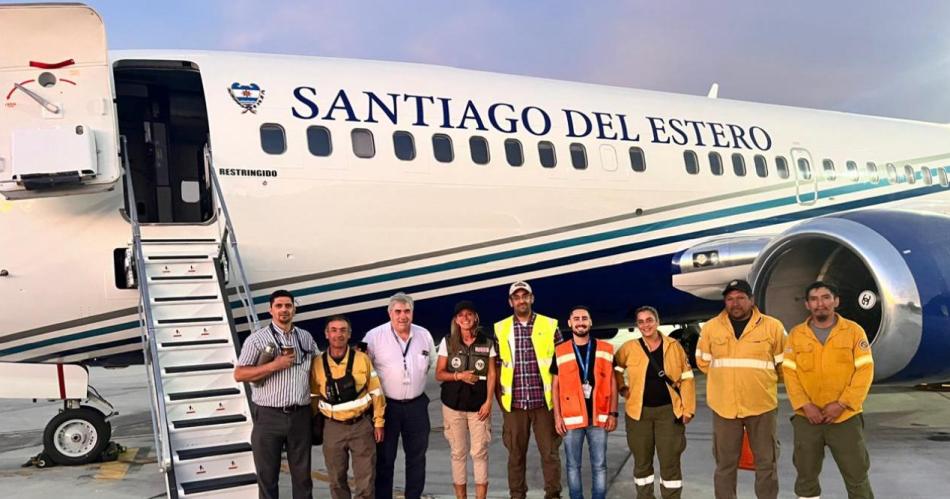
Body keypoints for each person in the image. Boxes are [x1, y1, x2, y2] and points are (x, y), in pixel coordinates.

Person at [783, 281, 875, 499]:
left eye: (825, 297)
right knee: (806, 477)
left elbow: (865, 371)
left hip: (844, 418)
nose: (820, 304)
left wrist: (842, 404)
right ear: (807, 304)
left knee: (856, 475)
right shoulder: (796, 335)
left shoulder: (853, 332)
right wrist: (806, 405)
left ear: (836, 301)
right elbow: (790, 374)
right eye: (814, 299)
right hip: (807, 419)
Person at [695, 279, 786, 499]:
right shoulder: (710, 328)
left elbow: (784, 365)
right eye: (730, 299)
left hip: (761, 406)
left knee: (766, 463)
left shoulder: (772, 327)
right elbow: (703, 362)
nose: (735, 303)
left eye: (740, 298)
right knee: (725, 465)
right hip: (724, 407)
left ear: (751, 300)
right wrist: (727, 380)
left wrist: (757, 382)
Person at [234, 289, 316, 499]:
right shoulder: (257, 340)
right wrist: (274, 365)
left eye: (288, 306)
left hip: (300, 415)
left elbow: (320, 363)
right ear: (270, 310)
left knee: (303, 477)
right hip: (269, 416)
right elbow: (240, 373)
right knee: (268, 476)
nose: (284, 310)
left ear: (294, 309)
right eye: (278, 306)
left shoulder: (305, 337)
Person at [614, 306, 696, 499]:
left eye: (649, 320)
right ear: (637, 325)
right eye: (641, 322)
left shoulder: (673, 346)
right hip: (638, 415)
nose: (645, 325)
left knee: (670, 462)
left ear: (657, 321)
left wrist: (688, 409)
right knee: (642, 463)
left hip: (669, 413)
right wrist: (621, 387)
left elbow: (687, 378)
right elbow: (616, 367)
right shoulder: (629, 348)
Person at [494, 280, 563, 499]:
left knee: (550, 455)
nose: (521, 300)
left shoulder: (550, 325)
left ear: (532, 298)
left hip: (543, 403)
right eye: (517, 297)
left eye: (525, 296)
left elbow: (563, 365)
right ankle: (517, 495)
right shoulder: (501, 328)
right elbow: (496, 367)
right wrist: (502, 401)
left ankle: (553, 494)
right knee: (515, 456)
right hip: (514, 405)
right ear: (510, 302)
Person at [364, 292, 435, 499]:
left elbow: (431, 361)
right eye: (398, 312)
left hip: (416, 406)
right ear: (390, 313)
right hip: (387, 408)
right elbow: (363, 370)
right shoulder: (374, 336)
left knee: (417, 458)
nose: (402, 316)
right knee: (385, 459)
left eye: (407, 311)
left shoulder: (424, 335)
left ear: (412, 312)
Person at [311, 315, 386, 499]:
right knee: (336, 480)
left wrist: (378, 422)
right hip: (332, 427)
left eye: (343, 330)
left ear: (350, 334)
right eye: (334, 330)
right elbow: (314, 396)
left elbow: (376, 391)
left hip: (361, 426)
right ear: (326, 334)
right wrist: (314, 424)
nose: (338, 334)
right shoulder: (317, 363)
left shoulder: (362, 359)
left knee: (366, 480)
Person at [551, 306, 618, 499]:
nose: (581, 322)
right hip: (571, 421)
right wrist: (557, 417)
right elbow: (555, 386)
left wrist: (613, 413)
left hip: (600, 418)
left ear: (590, 322)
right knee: (573, 466)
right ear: (570, 323)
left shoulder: (605, 349)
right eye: (576, 319)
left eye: (584, 318)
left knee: (600, 466)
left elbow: (613, 382)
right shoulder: (561, 351)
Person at [435, 300, 497, 499]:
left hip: (479, 406)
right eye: (461, 315)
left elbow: (493, 375)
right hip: (453, 406)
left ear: (475, 317)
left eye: (469, 314)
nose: (465, 318)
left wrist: (488, 402)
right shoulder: (448, 341)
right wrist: (458, 376)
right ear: (456, 320)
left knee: (479, 453)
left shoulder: (487, 342)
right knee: (458, 453)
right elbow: (439, 373)